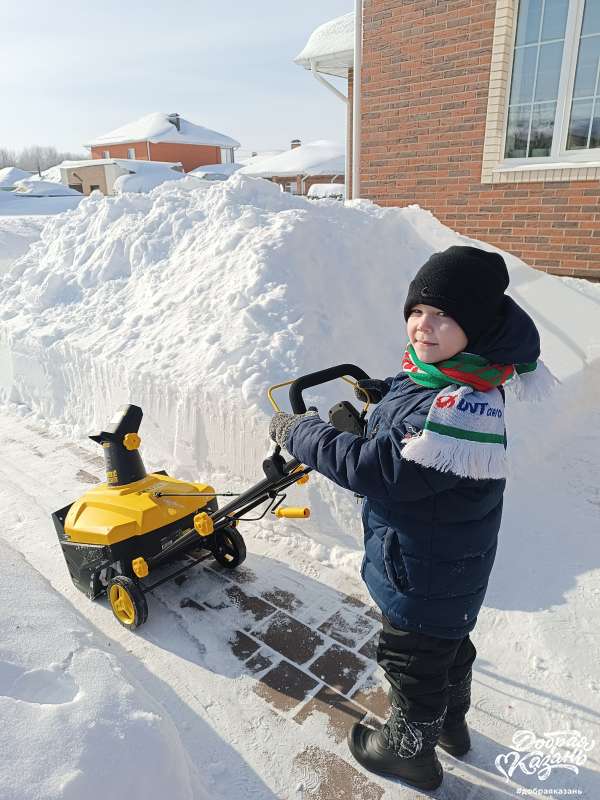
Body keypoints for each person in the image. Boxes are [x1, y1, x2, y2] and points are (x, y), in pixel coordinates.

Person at [269, 245, 555, 790]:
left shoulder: (461, 408)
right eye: (417, 310)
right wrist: (380, 396)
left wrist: (301, 433)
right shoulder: (452, 373)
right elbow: (413, 397)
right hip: (444, 561)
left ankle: (408, 752)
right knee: (448, 647)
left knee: (411, 657)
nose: (424, 325)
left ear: (476, 326)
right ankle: (450, 726)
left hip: (420, 567)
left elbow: (376, 470)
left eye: (443, 315)